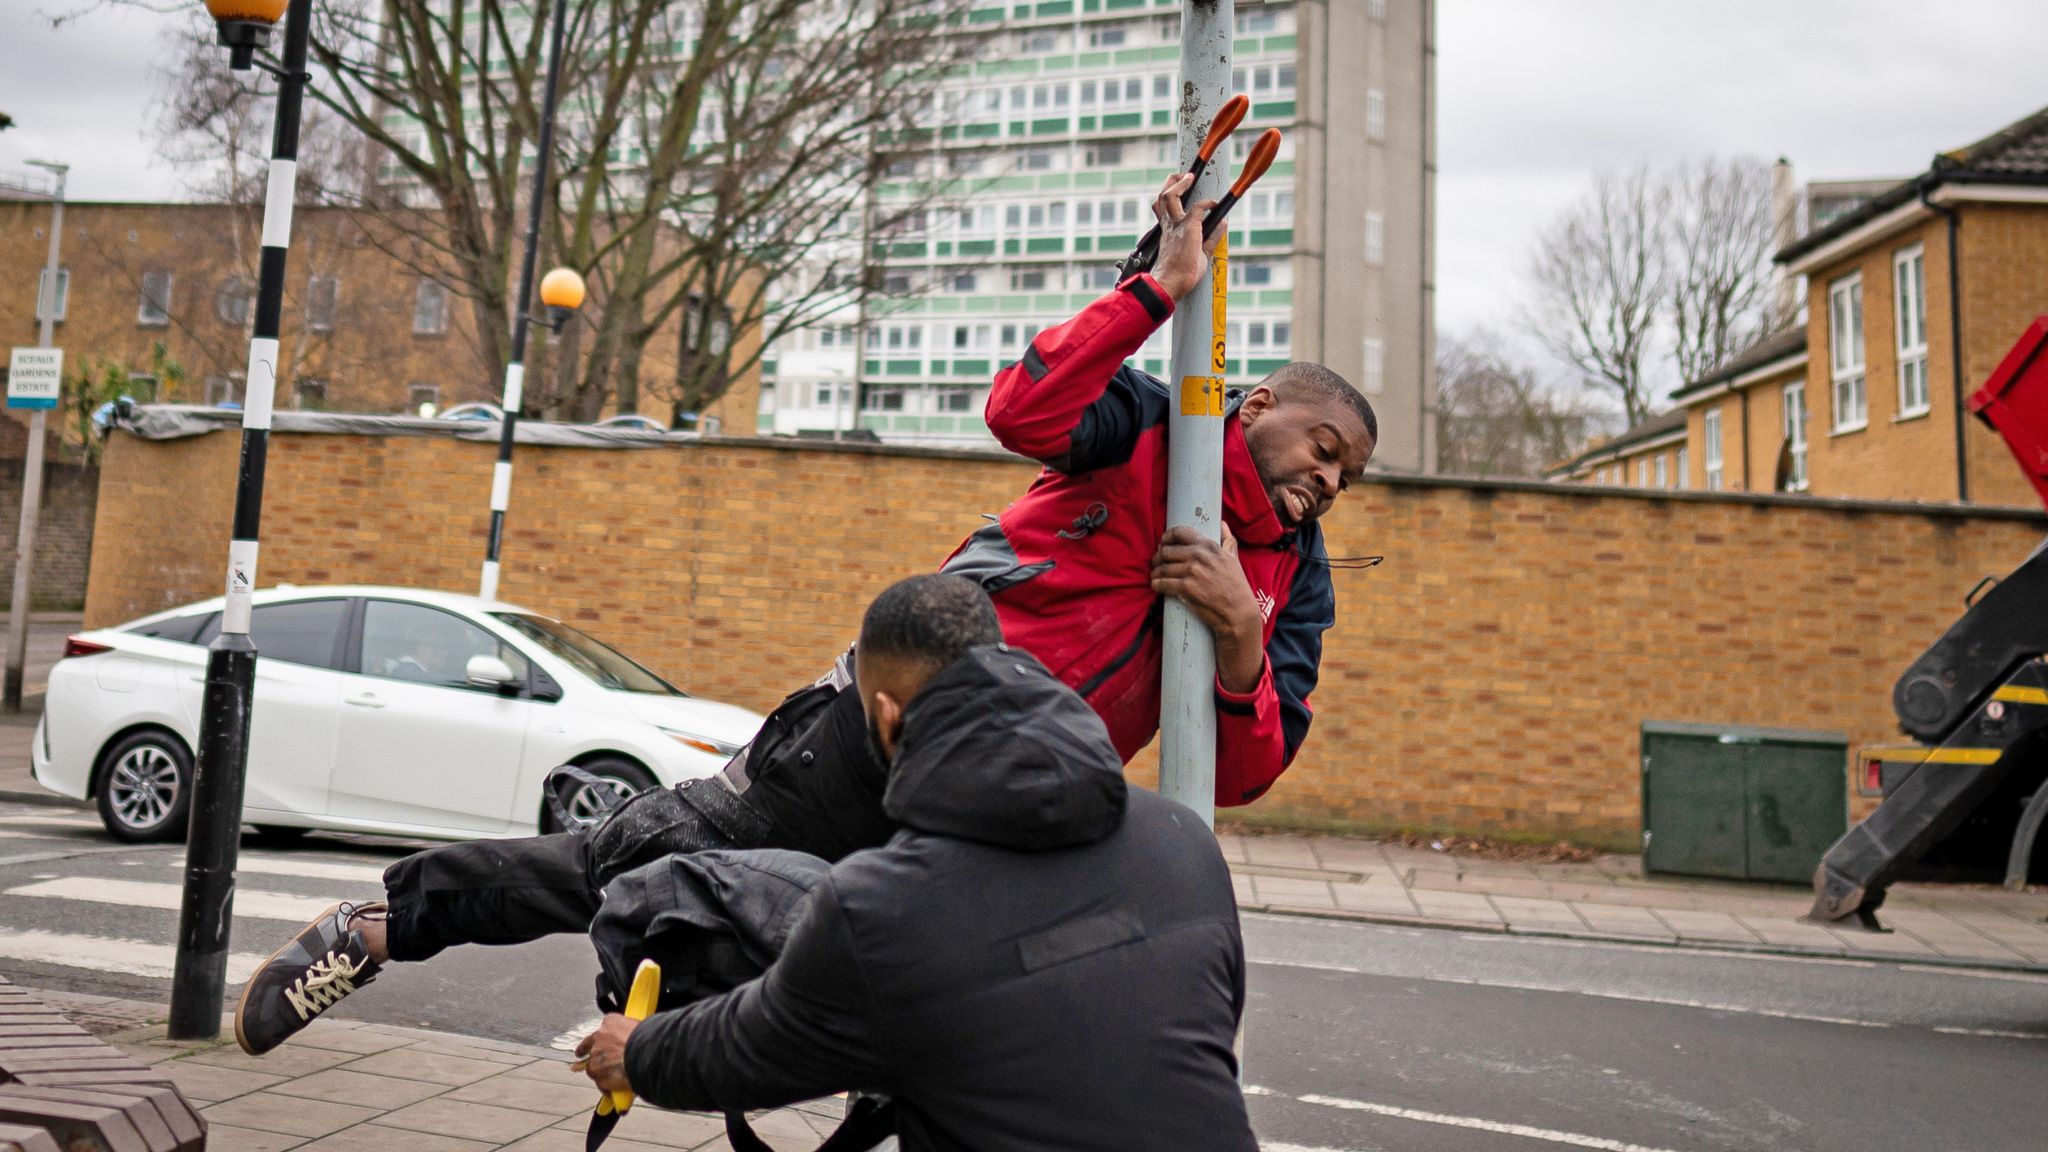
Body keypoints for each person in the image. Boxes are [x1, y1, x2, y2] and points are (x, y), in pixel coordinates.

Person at [232, 170, 1376, 1056]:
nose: (1326, 481)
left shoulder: (1293, 579)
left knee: (948, 1013)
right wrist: (1153, 292)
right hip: (873, 735)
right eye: (1322, 449)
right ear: (1260, 403)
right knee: (629, 858)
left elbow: (1239, 773)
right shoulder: (1144, 428)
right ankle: (372, 928)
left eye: (1346, 478)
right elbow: (1023, 407)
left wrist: (1235, 635)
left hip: (1008, 809)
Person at [575, 575, 1258, 1152]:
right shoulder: (1182, 840)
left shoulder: (884, 908)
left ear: (887, 716)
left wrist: (635, 1051)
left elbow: (747, 1051)